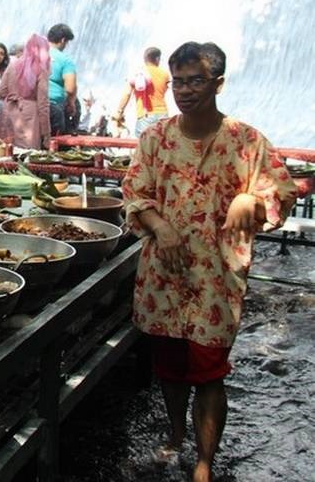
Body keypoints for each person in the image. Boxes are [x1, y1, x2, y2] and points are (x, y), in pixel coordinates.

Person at [122, 41, 296, 482]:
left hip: (216, 282)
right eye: (178, 81)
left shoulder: (247, 141)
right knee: (170, 366)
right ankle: (176, 435)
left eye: (195, 81)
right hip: (164, 275)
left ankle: (204, 462)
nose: (184, 90)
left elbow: (283, 193)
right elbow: (134, 192)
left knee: (210, 371)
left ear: (218, 83)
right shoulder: (155, 139)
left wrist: (248, 200)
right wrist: (158, 223)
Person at [0, 33, 51, 149]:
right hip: (29, 117)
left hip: (9, 111)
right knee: (27, 155)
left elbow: (1, 91)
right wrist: (46, 134)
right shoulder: (41, 69)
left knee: (6, 152)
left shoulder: (13, 65)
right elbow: (43, 104)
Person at [114, 46, 171, 136]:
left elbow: (127, 93)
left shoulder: (137, 73)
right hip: (163, 114)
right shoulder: (165, 74)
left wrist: (119, 112)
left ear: (144, 59)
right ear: (157, 59)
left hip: (145, 115)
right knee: (161, 145)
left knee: (143, 145)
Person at [47, 23, 78, 135]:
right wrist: (71, 103)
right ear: (63, 40)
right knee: (56, 141)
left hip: (34, 105)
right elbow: (70, 88)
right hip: (54, 107)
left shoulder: (36, 55)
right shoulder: (65, 60)